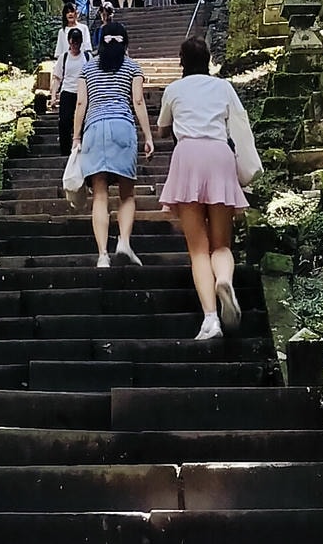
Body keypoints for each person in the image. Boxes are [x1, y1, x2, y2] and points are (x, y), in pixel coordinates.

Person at [158, 34, 261, 340]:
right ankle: (224, 279)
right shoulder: (223, 87)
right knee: (221, 245)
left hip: (188, 157)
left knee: (198, 250)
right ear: (208, 61)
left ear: (181, 62)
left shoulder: (174, 89)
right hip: (219, 155)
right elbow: (239, 124)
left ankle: (211, 319)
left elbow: (163, 127)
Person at [70, 22, 153, 268]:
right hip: (122, 127)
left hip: (94, 129)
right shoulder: (132, 67)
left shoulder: (87, 68)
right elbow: (138, 101)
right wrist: (148, 136)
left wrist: (76, 137)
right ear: (125, 43)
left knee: (99, 194)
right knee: (127, 194)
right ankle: (124, 242)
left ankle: (103, 255)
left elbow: (80, 104)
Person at [54, 24, 88, 159]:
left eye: (77, 42)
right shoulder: (64, 57)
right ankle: (65, 151)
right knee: (64, 121)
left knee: (84, 121)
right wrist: (53, 96)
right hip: (67, 91)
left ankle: (83, 149)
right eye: (73, 41)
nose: (75, 45)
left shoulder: (87, 57)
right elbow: (57, 77)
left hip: (83, 92)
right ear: (69, 41)